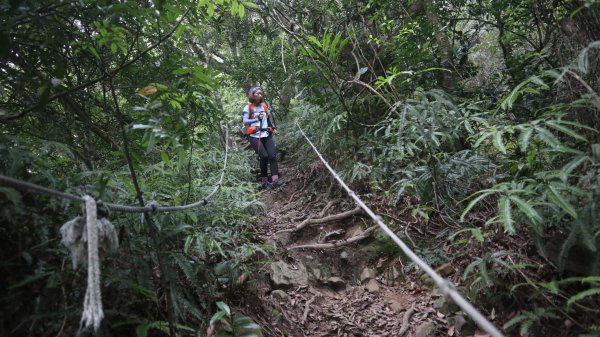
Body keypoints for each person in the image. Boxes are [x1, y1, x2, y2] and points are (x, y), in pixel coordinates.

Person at [243, 86, 284, 190]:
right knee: (264, 156)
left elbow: (268, 118)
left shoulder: (264, 106)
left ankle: (275, 180)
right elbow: (245, 121)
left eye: (261, 93)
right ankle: (264, 181)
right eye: (258, 93)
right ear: (252, 95)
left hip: (266, 134)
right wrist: (257, 118)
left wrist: (273, 128)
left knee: (273, 156)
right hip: (254, 136)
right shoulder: (248, 107)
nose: (260, 95)